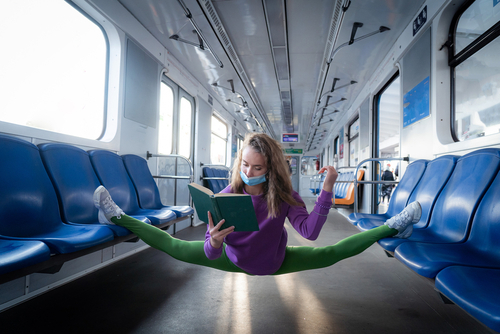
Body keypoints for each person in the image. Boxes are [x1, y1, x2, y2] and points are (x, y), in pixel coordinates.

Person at [93, 133, 421, 276]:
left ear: (270, 169)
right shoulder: (222, 197)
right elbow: (210, 252)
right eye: (245, 165)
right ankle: (118, 217)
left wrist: (328, 188)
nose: (249, 172)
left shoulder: (285, 196)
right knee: (170, 243)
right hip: (232, 259)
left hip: (274, 261)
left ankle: (394, 225)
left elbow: (309, 234)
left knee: (331, 254)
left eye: (258, 168)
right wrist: (214, 242)